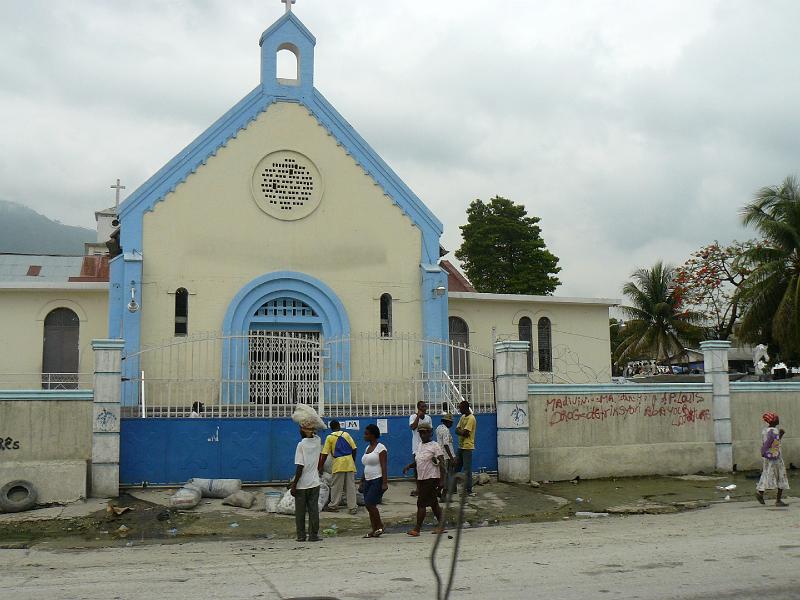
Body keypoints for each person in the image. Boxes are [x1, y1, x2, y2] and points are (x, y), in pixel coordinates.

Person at [403, 421, 446, 536]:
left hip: (431, 478)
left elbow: (442, 463)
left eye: (425, 432)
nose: (422, 435)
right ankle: (442, 526)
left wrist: (442, 480)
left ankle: (417, 529)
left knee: (421, 503)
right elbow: (419, 461)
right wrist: (409, 466)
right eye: (420, 433)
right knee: (434, 503)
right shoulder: (420, 445)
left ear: (430, 433)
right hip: (422, 479)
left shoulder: (435, 446)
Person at [289, 424, 323, 542]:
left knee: (300, 512)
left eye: (301, 429)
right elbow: (316, 432)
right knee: (314, 510)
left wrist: (294, 484)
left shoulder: (301, 445)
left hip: (302, 484)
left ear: (304, 431)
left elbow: (300, 466)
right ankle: (313, 535)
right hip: (314, 482)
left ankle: (301, 535)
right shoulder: (318, 441)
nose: (299, 431)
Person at [318, 419, 358, 514]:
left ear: (331, 428)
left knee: (336, 486)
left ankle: (333, 506)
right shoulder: (346, 434)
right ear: (339, 426)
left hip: (338, 464)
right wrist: (352, 460)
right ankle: (352, 507)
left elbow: (324, 454)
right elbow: (354, 449)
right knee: (350, 486)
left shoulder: (330, 437)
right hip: (349, 463)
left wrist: (320, 466)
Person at [360, 423, 388, 538]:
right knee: (368, 506)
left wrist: (385, 482)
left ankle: (380, 526)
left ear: (373, 435)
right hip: (367, 480)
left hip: (377, 479)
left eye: (366, 434)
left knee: (370, 504)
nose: (364, 436)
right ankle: (374, 529)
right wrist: (362, 481)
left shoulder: (381, 448)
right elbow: (366, 465)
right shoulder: (367, 448)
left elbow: (384, 465)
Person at [756, 412, 789, 507]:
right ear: (773, 421)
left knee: (766, 474)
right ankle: (778, 500)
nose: (778, 420)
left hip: (767, 458)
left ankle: (760, 492)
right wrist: (781, 434)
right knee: (781, 477)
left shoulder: (764, 431)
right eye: (776, 418)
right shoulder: (775, 431)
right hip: (776, 458)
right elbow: (775, 444)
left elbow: (768, 443)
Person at [408, 400, 432, 496]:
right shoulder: (413, 417)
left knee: (427, 467)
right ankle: (418, 488)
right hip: (416, 447)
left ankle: (426, 488)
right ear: (418, 408)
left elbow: (430, 431)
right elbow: (413, 427)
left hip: (427, 447)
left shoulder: (428, 418)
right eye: (422, 407)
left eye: (425, 406)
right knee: (417, 468)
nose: (424, 408)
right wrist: (418, 416)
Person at [455, 400, 477, 497]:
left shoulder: (471, 418)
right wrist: (462, 432)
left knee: (467, 469)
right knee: (456, 467)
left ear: (465, 408)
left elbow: (466, 433)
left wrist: (461, 431)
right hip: (461, 446)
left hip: (467, 446)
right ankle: (453, 488)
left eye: (460, 408)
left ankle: (468, 490)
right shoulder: (462, 417)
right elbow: (457, 430)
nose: (459, 410)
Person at [436, 412, 455, 496]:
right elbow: (446, 444)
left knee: (442, 474)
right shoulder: (446, 430)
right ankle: (443, 493)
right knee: (446, 475)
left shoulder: (438, 428)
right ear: (448, 422)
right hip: (445, 456)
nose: (452, 424)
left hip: (439, 454)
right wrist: (451, 457)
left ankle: (439, 491)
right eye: (451, 422)